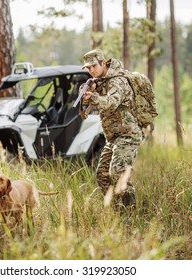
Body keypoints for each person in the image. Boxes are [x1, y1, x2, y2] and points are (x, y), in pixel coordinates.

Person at [81, 49, 144, 210]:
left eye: (93, 66)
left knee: (117, 173)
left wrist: (94, 97)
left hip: (128, 135)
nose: (91, 71)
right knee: (102, 175)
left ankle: (131, 213)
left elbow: (111, 103)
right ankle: (119, 210)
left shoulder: (117, 81)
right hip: (114, 138)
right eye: (88, 68)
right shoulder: (101, 81)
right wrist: (91, 93)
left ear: (103, 63)